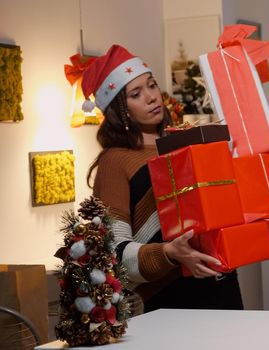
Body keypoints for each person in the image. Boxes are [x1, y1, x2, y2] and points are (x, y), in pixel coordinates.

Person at [83, 44, 243, 313]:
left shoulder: (184, 143)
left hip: (222, 282)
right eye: (136, 93)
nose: (151, 97)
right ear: (119, 109)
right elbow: (113, 253)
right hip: (171, 297)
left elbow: (222, 212)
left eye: (152, 85)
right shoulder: (115, 161)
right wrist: (168, 253)